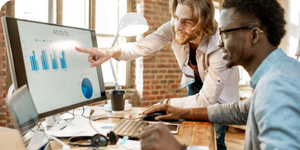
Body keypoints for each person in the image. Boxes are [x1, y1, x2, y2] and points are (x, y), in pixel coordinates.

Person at [76, 0, 240, 149]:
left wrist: (166, 102)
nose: (178, 26)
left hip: (220, 94)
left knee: (214, 137)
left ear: (202, 23)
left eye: (186, 22)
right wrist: (111, 51)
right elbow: (144, 45)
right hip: (195, 82)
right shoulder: (174, 26)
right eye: (176, 18)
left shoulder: (219, 45)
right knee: (190, 129)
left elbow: (206, 100)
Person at [140, 0, 300, 149]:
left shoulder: (278, 87)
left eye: (225, 33)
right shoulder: (277, 73)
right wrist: (182, 112)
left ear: (254, 35)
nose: (218, 43)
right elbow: (240, 111)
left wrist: (178, 148)